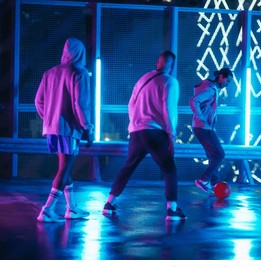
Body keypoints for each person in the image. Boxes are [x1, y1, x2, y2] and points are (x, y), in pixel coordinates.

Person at [102, 50, 186, 221]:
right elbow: (168, 110)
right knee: (169, 169)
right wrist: (171, 134)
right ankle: (172, 210)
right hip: (155, 132)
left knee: (128, 167)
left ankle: (109, 203)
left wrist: (133, 125)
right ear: (172, 65)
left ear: (158, 62)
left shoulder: (142, 80)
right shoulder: (170, 82)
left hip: (136, 131)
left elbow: (131, 104)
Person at [35, 37, 94, 222]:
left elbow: (38, 101)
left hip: (51, 128)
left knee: (64, 166)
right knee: (65, 168)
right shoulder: (79, 72)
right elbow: (80, 104)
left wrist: (50, 118)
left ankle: (72, 208)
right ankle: (47, 210)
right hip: (68, 129)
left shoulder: (49, 72)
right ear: (81, 53)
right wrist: (87, 127)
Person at [190, 68, 234, 194]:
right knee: (219, 154)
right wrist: (200, 117)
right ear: (220, 77)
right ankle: (203, 180)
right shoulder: (210, 89)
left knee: (212, 155)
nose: (228, 83)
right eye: (228, 80)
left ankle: (214, 183)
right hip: (203, 127)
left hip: (204, 127)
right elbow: (194, 100)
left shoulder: (211, 86)